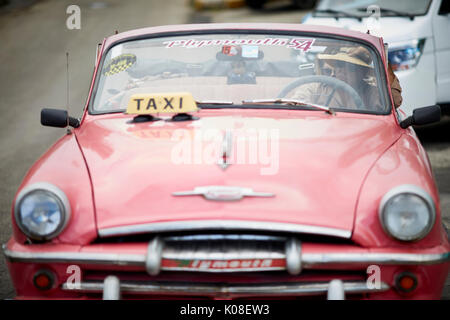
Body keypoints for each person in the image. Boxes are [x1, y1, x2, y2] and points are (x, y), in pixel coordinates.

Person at [291, 46, 400, 111]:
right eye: (338, 64)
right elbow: (295, 104)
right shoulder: (316, 88)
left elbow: (394, 102)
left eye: (350, 66)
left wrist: (382, 59)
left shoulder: (371, 92)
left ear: (362, 72)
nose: (341, 70)